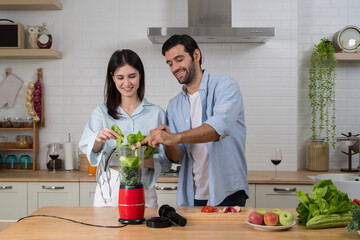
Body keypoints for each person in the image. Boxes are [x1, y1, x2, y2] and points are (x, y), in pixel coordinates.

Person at [142, 34, 249, 207]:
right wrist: (166, 139)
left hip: (228, 192)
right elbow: (178, 156)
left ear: (196, 56)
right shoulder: (174, 105)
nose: (175, 67)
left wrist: (176, 137)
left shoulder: (225, 86)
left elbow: (219, 128)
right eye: (170, 63)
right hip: (192, 195)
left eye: (179, 59)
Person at [79, 49, 171, 207]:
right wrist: (98, 139)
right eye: (120, 77)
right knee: (105, 231)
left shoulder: (157, 113)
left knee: (143, 232)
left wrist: (141, 160)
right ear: (112, 78)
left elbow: (165, 161)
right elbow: (91, 152)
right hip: (110, 186)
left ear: (140, 75)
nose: (127, 83)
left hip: (144, 187)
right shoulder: (101, 113)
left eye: (132, 76)